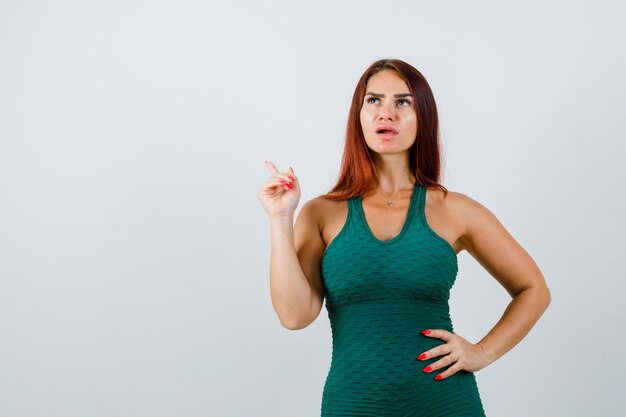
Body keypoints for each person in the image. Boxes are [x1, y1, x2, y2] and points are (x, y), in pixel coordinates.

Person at [258, 58, 551, 416]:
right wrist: (280, 218)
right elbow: (295, 316)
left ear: (422, 117)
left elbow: (534, 290)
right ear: (359, 116)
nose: (387, 113)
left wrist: (482, 351)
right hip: (353, 405)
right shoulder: (323, 212)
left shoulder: (455, 210)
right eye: (374, 100)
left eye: (403, 102)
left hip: (445, 403)